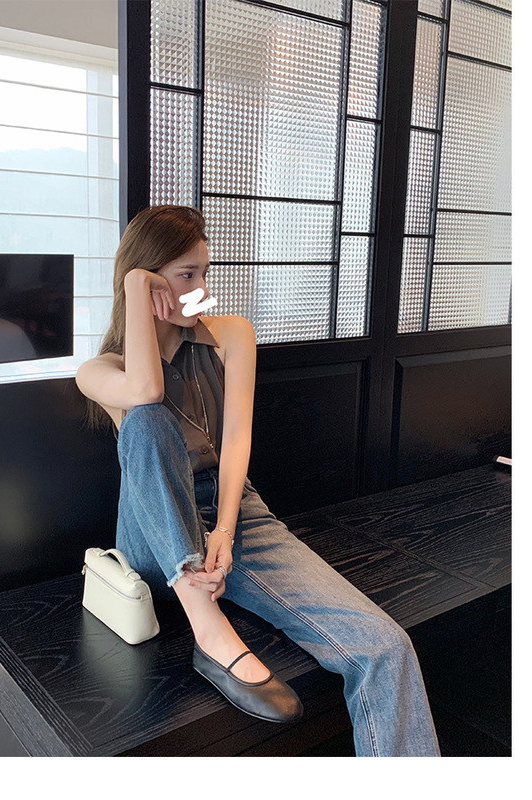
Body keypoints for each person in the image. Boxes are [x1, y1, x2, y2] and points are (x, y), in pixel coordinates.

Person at [76, 205, 441, 757]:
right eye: (186, 275)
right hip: (152, 530)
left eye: (205, 272)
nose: (202, 289)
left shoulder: (232, 334)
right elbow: (147, 394)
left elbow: (237, 441)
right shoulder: (98, 370)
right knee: (147, 422)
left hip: (234, 510)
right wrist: (132, 288)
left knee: (385, 646)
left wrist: (225, 529)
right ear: (148, 281)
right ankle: (209, 629)